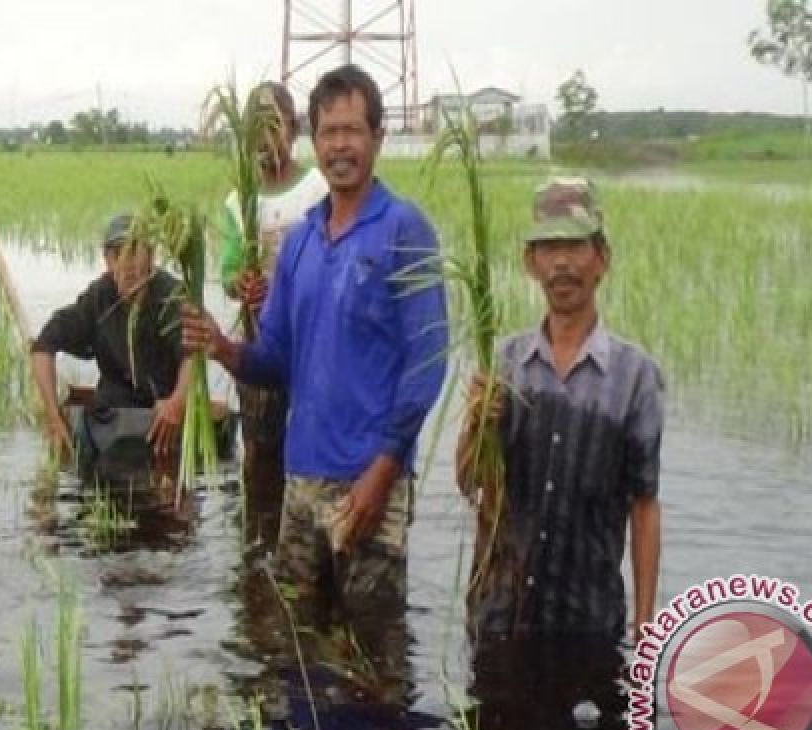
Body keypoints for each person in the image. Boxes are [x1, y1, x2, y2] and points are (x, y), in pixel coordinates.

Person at [184, 64, 448, 622]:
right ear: (314, 140)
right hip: (300, 479)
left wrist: (382, 473)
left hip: (369, 482)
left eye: (354, 131)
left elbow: (426, 365)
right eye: (330, 132)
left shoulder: (405, 230)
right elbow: (274, 360)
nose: (341, 145)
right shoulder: (302, 239)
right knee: (297, 642)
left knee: (372, 651)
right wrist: (224, 349)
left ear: (377, 138)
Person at [460, 176, 664, 645]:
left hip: (587, 619)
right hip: (500, 615)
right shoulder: (504, 363)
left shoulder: (635, 377)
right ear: (531, 263)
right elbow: (470, 482)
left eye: (575, 246)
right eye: (549, 248)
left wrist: (647, 622)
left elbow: (645, 504)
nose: (563, 263)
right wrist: (476, 424)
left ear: (602, 259)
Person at [219, 81, 329, 547]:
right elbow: (227, 268)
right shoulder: (238, 201)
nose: (265, 139)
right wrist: (238, 282)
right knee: (260, 452)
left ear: (294, 127)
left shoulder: (317, 189)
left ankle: (309, 545)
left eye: (273, 126)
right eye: (255, 130)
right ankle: (261, 548)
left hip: (315, 349)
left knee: (313, 451)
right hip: (259, 345)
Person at [30, 214, 191, 471]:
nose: (128, 265)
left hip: (162, 413)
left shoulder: (171, 296)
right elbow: (42, 347)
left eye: (135, 251)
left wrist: (177, 401)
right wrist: (53, 415)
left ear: (150, 257)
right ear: (107, 261)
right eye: (118, 254)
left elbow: (193, 356)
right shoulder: (99, 298)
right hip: (113, 412)